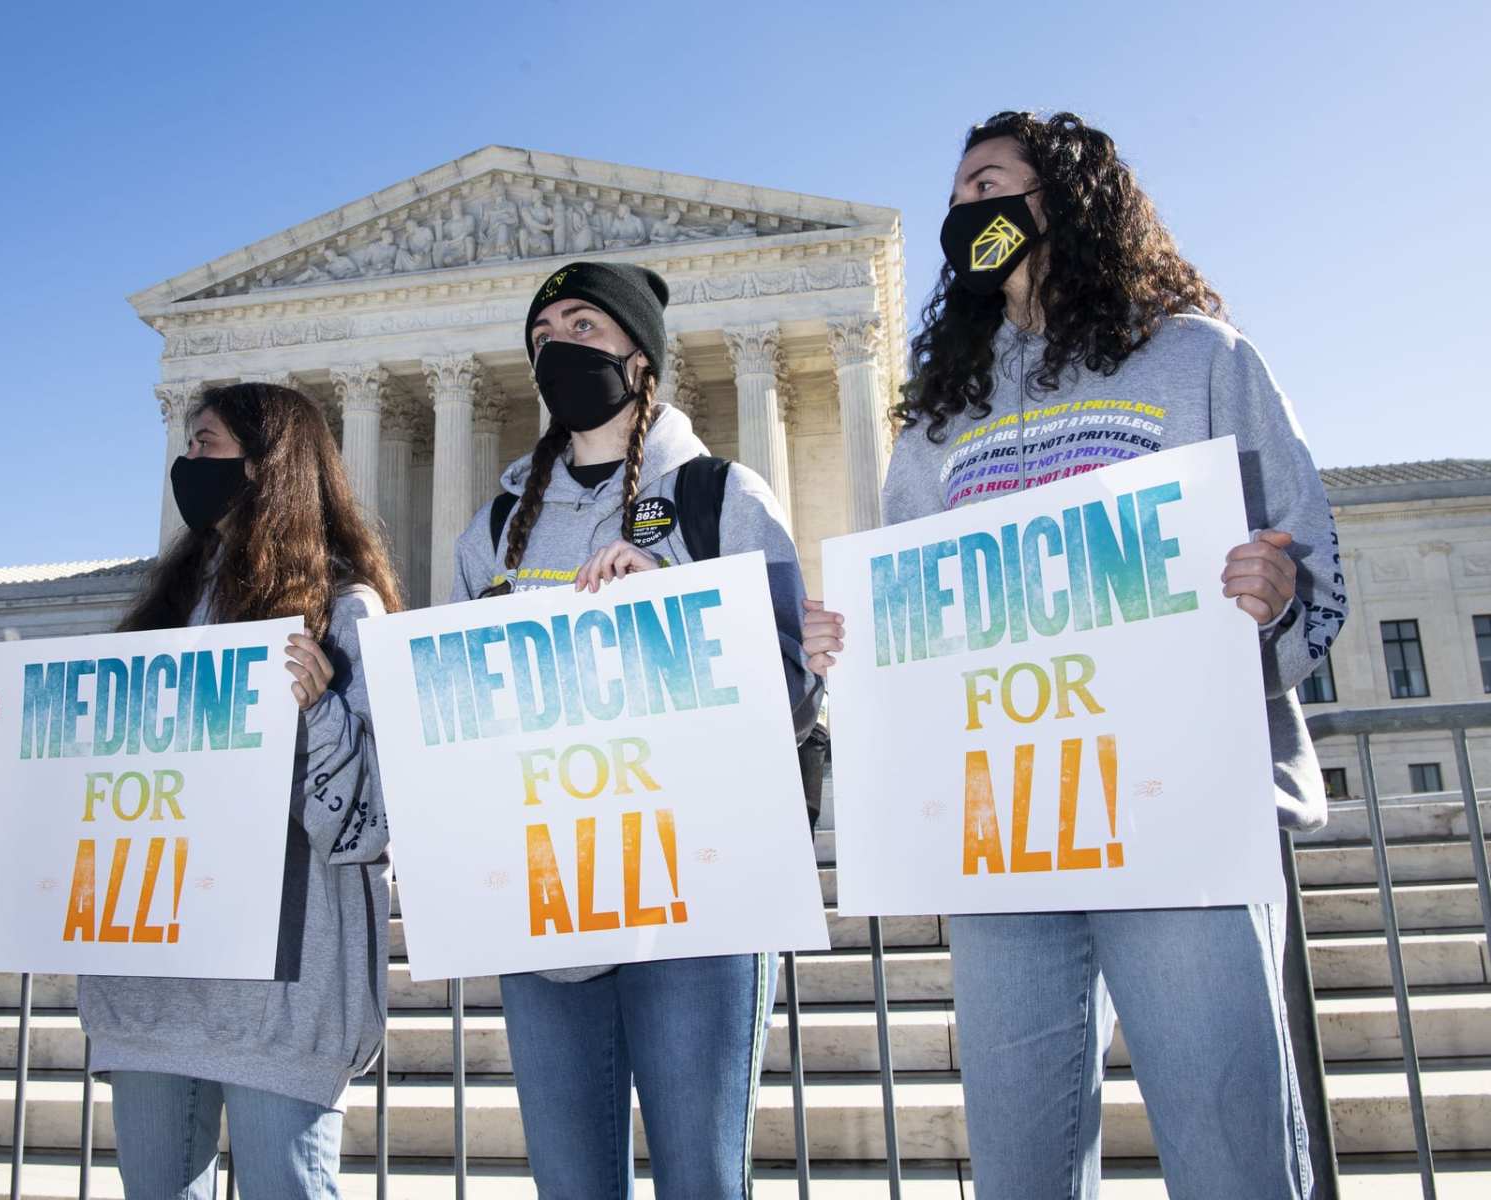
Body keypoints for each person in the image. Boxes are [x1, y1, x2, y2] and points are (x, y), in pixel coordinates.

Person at [802, 111, 1345, 1199]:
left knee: (1228, 1141)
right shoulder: (933, 431)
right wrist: (848, 646)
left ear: (1066, 201)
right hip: (1010, 834)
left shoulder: (1194, 358)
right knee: (1019, 1162)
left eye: (990, 183)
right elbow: (917, 615)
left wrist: (1275, 594)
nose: (967, 210)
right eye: (957, 196)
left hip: (1179, 814)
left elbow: (1312, 565)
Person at [0, 382, 403, 1199]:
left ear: (268, 464)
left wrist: (315, 714)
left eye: (206, 445)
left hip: (280, 995)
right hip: (149, 989)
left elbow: (375, 820)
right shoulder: (158, 623)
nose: (187, 461)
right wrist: (18, 733)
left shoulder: (343, 613)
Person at [450, 262, 821, 1197]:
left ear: (637, 351)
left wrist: (676, 610)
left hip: (696, 898)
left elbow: (794, 688)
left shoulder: (721, 497)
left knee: (699, 1178)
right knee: (571, 1185)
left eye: (582, 323)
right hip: (550, 899)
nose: (558, 347)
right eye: (542, 336)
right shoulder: (491, 534)